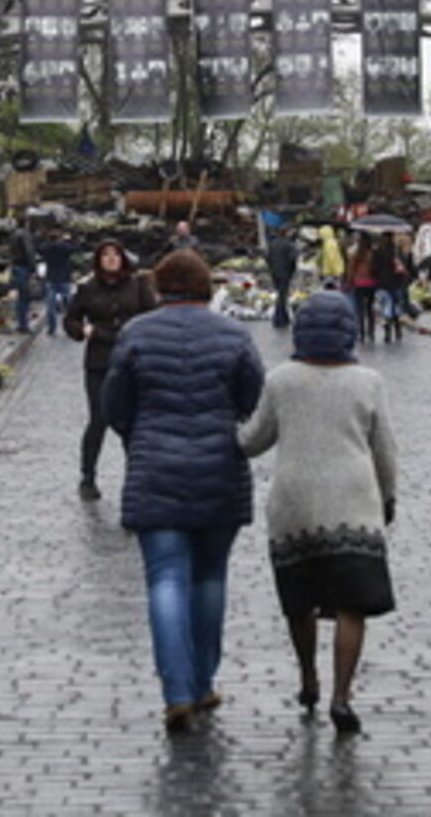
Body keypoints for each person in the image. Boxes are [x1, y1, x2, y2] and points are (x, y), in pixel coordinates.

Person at [103, 250, 264, 733]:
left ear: (160, 288)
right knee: (210, 578)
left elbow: (115, 404)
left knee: (165, 579)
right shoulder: (233, 334)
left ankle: (176, 690)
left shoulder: (136, 334)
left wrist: (140, 436)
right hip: (219, 468)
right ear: (206, 286)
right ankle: (202, 681)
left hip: (155, 468)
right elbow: (252, 398)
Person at [238, 291, 397, 736]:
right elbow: (385, 449)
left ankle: (308, 677)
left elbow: (252, 441)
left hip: (294, 504)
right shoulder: (369, 382)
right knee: (352, 606)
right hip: (353, 502)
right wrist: (388, 497)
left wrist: (227, 425)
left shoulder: (281, 380)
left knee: (300, 601)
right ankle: (341, 697)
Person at [64, 240, 157, 500]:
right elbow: (71, 319)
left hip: (132, 361)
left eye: (116, 254)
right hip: (99, 361)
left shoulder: (138, 285)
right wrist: (82, 330)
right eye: (105, 255)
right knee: (99, 419)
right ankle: (88, 477)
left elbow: (152, 316)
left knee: (132, 422)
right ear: (99, 260)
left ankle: (137, 479)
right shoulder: (88, 288)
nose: (111, 259)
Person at [38, 230, 80, 336]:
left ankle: (52, 328)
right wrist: (70, 239)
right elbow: (76, 248)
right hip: (64, 278)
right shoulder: (64, 247)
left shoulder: (46, 247)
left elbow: (40, 248)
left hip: (51, 278)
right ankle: (71, 326)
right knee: (69, 305)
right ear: (59, 238)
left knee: (50, 306)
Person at [372, 232, 409, 343]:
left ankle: (387, 333)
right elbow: (405, 265)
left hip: (383, 284)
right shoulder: (397, 251)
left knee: (386, 309)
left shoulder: (378, 251)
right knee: (396, 307)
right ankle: (398, 331)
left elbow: (374, 268)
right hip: (397, 283)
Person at [9, 211, 39, 333]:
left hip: (16, 266)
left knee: (21, 297)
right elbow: (29, 252)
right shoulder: (25, 235)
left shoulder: (13, 234)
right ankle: (23, 325)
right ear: (26, 222)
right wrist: (34, 268)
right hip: (24, 267)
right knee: (24, 297)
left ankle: (22, 323)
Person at [346, 232, 378, 343]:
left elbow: (351, 270)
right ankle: (371, 332)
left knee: (359, 309)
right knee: (370, 308)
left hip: (359, 283)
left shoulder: (356, 254)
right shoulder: (373, 254)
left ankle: (361, 332)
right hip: (372, 283)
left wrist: (349, 282)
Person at [266, 227, 299, 329]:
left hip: (275, 272)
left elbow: (268, 258)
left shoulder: (272, 244)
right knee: (282, 295)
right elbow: (293, 259)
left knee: (280, 294)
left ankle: (284, 316)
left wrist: (271, 269)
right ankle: (279, 317)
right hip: (285, 271)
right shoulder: (289, 245)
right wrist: (292, 271)